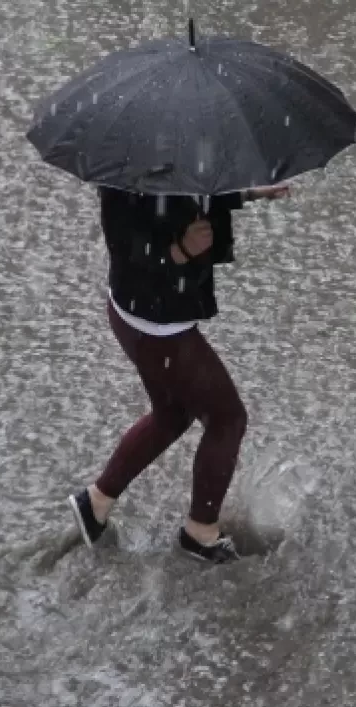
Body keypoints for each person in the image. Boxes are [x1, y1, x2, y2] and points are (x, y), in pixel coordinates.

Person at [66, 182, 290, 564]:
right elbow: (128, 248)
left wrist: (248, 193)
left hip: (136, 314)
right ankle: (200, 532)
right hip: (156, 327)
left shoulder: (167, 156)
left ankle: (97, 502)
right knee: (227, 418)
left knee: (171, 415)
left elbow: (193, 190)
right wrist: (181, 251)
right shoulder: (129, 176)